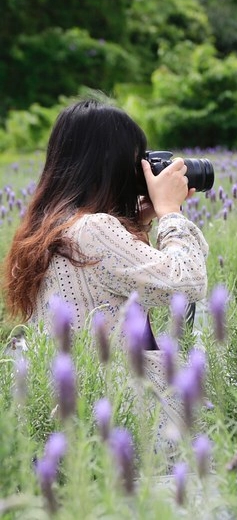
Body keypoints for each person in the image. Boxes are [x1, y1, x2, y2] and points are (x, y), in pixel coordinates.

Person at [2, 99, 208, 449]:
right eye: (136, 160)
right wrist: (171, 213)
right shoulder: (95, 230)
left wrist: (137, 221)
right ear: (111, 165)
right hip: (128, 421)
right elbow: (187, 281)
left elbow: (100, 285)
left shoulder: (48, 229)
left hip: (80, 416)